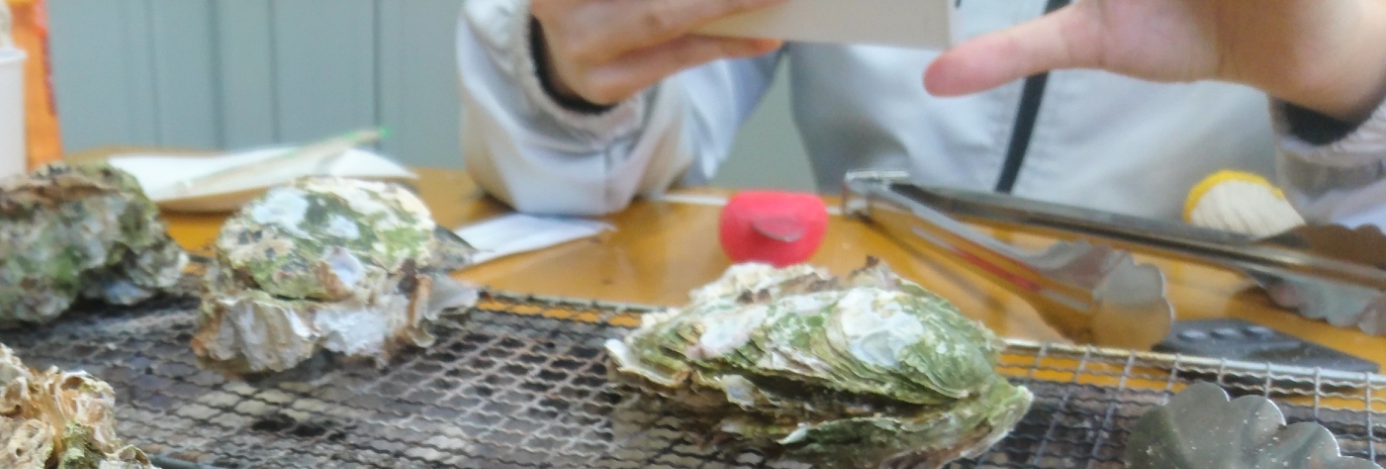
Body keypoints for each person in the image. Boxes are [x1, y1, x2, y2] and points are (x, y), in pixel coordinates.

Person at [459, 0, 1386, 226]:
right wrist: (568, 66)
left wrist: (1353, 79)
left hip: (1211, 395)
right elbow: (582, 183)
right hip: (856, 352)